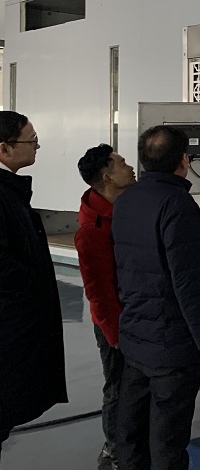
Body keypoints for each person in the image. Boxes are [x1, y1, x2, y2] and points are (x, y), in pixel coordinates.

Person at [112, 125, 200, 470]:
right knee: (167, 440)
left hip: (135, 337)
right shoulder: (178, 204)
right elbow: (189, 281)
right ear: (184, 160)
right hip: (172, 345)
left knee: (131, 433)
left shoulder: (126, 199)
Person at [0, 112, 68, 457]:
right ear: (4, 148)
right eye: (32, 140)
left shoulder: (9, 191)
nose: (37, 146)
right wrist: (31, 284)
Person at [76, 144, 137, 469]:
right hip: (114, 323)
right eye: (122, 164)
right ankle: (114, 447)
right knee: (117, 386)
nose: (130, 167)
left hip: (136, 312)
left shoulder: (124, 206)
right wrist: (113, 334)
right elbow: (98, 292)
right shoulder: (93, 230)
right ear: (107, 177)